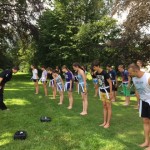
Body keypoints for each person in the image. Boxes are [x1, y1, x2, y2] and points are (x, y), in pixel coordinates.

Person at [128, 63, 150, 149]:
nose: (129, 74)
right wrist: (138, 103)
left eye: (130, 73)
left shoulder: (148, 77)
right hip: (143, 102)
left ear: (136, 71)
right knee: (145, 121)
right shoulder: (134, 79)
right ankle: (146, 141)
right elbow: (137, 91)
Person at [92, 60, 112, 128]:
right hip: (102, 91)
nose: (94, 68)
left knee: (108, 106)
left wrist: (111, 93)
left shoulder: (105, 73)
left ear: (98, 66)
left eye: (94, 67)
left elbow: (110, 83)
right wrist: (97, 85)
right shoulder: (97, 73)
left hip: (107, 91)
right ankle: (104, 122)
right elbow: (100, 81)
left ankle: (108, 123)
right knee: (104, 106)